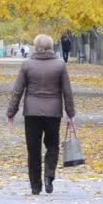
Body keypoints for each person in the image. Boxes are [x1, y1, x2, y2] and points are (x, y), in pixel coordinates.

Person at [7, 34, 75, 195]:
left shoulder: (27, 65)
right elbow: (67, 91)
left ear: (36, 46)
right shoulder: (60, 65)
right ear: (51, 46)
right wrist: (71, 114)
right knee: (52, 145)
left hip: (32, 113)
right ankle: (49, 175)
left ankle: (35, 186)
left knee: (33, 149)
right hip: (53, 113)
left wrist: (11, 112)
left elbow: (17, 91)